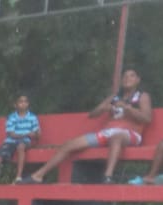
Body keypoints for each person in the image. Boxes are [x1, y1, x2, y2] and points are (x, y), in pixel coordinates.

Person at [21, 68, 151, 184]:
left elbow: (146, 118)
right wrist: (104, 108)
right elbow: (93, 114)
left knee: (116, 137)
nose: (127, 78)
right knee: (69, 145)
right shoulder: (115, 97)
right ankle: (38, 175)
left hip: (130, 134)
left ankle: (108, 176)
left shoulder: (142, 96)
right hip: (107, 133)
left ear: (137, 80)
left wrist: (128, 108)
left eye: (132, 76)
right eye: (125, 76)